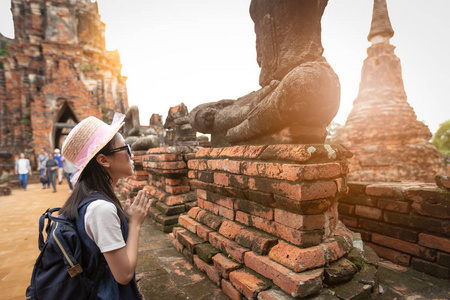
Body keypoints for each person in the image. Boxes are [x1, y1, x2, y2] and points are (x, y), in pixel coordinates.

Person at [59, 112, 151, 299]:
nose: (131, 155)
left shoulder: (90, 198)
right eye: (126, 149)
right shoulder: (101, 209)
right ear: (103, 160)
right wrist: (134, 224)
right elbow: (124, 275)